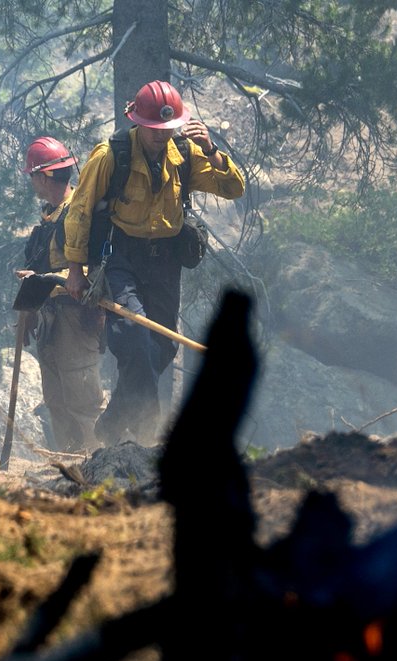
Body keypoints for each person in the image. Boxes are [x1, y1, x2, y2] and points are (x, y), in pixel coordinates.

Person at [62, 80, 245, 446]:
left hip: (165, 264)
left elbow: (233, 188)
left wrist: (211, 150)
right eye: (154, 128)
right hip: (121, 259)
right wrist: (76, 269)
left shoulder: (186, 154)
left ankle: (112, 424)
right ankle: (149, 435)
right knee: (133, 338)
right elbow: (79, 211)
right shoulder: (110, 156)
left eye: (168, 127)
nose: (161, 135)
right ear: (138, 121)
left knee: (161, 347)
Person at [14, 136, 105, 452]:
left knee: (83, 399)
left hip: (76, 319)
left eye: (32, 176)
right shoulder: (48, 219)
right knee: (56, 399)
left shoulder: (79, 215)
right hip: (49, 320)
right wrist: (28, 314)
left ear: (42, 177)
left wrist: (44, 280)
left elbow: (93, 272)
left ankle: (98, 460)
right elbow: (38, 268)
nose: (32, 182)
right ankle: (69, 462)